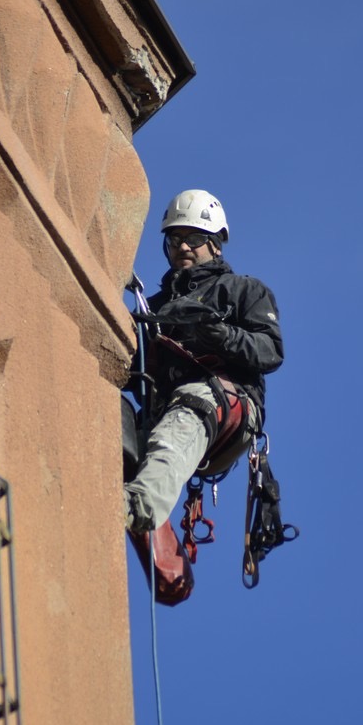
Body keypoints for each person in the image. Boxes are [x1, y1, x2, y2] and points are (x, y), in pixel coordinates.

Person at [124, 189, 283, 533]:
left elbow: (270, 350)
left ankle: (138, 504)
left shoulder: (241, 290)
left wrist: (220, 335)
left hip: (222, 403)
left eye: (194, 238)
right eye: (175, 239)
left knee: (188, 408)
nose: (183, 246)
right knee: (117, 420)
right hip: (162, 409)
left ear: (215, 244)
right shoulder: (154, 306)